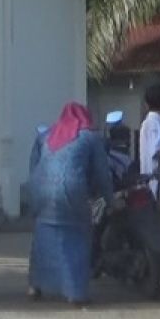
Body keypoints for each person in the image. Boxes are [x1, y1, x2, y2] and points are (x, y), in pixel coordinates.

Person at [26, 102, 114, 305]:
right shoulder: (90, 137)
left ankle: (34, 286)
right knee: (76, 238)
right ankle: (75, 293)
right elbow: (102, 173)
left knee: (42, 238)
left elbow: (34, 165)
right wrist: (110, 199)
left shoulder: (45, 136)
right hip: (71, 191)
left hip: (41, 190)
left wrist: (35, 196)